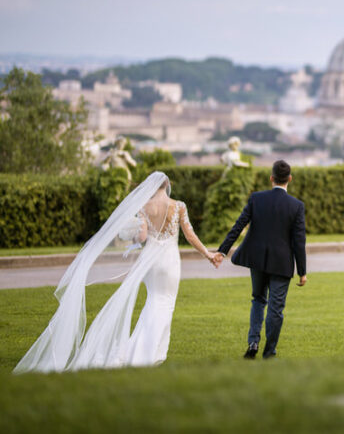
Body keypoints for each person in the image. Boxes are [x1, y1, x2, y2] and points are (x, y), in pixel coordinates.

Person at [15, 171, 220, 373]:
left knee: (153, 300)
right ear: (167, 185)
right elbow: (190, 235)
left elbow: (141, 237)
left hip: (150, 261)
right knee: (165, 302)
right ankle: (149, 352)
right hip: (170, 261)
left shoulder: (144, 206)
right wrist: (208, 254)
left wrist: (130, 236)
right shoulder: (179, 206)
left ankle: (147, 351)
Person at [214, 159, 307, 359]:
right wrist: (302, 272)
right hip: (282, 263)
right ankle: (269, 351)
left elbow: (238, 226)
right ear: (289, 179)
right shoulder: (296, 206)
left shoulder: (257, 198)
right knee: (275, 308)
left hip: (257, 260)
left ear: (271, 178)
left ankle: (253, 342)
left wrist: (222, 251)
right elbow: (299, 242)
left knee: (258, 299)